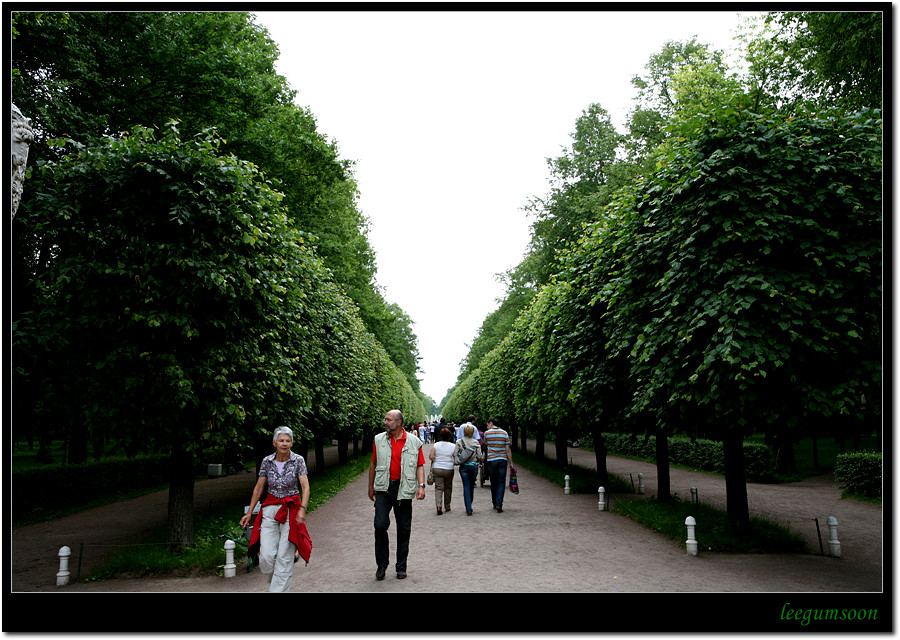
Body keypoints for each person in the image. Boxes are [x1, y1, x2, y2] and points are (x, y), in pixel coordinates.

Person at [240, 426, 311, 592]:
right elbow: (258, 488)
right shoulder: (267, 461)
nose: (284, 444)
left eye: (287, 441)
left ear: (292, 443)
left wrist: (303, 508)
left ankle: (277, 588)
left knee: (285, 557)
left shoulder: (298, 460)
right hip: (270, 509)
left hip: (291, 510)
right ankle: (278, 578)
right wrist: (249, 512)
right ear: (274, 443)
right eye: (281, 441)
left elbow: (305, 487)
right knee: (265, 556)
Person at [368, 409, 426, 580]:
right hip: (384, 489)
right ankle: (382, 564)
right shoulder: (379, 440)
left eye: (388, 419)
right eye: (385, 419)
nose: (385, 422)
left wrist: (421, 485)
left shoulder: (413, 442)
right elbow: (373, 464)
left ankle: (401, 566)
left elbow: (419, 465)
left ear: (398, 422)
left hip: (404, 489)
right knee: (380, 525)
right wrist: (370, 486)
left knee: (403, 529)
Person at [483, 418, 514, 513]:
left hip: (492, 460)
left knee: (493, 481)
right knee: (501, 482)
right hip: (502, 460)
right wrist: (511, 463)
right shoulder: (505, 433)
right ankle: (499, 503)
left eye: (488, 424)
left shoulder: (487, 433)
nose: (487, 426)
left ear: (491, 423)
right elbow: (507, 450)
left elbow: (485, 444)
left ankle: (494, 503)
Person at [454, 424, 483, 515]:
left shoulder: (459, 441)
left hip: (464, 467)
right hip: (474, 466)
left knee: (466, 486)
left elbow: (455, 454)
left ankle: (468, 508)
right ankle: (469, 504)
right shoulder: (475, 442)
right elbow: (480, 456)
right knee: (471, 486)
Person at [428, 428, 455, 515]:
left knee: (439, 488)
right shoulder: (453, 446)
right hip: (449, 468)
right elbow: (455, 458)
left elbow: (431, 457)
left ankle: (439, 506)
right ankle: (447, 506)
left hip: (437, 468)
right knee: (448, 488)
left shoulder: (436, 445)